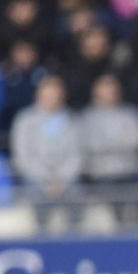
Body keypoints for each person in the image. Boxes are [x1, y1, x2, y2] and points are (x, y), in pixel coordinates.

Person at [11, 74, 82, 230]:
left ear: (61, 96)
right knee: (36, 197)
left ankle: (73, 240)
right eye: (47, 95)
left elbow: (76, 155)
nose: (51, 99)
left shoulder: (72, 120)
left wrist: (61, 179)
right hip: (36, 180)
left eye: (54, 95)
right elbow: (23, 157)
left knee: (77, 195)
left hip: (66, 181)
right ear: (38, 95)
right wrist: (46, 180)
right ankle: (41, 239)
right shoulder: (25, 120)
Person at [78, 71, 138, 226]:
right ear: (96, 92)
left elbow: (136, 141)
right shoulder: (87, 117)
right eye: (104, 89)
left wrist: (107, 146)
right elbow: (90, 146)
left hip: (128, 173)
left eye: (112, 89)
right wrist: (117, 145)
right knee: (110, 199)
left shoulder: (131, 114)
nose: (109, 93)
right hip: (100, 176)